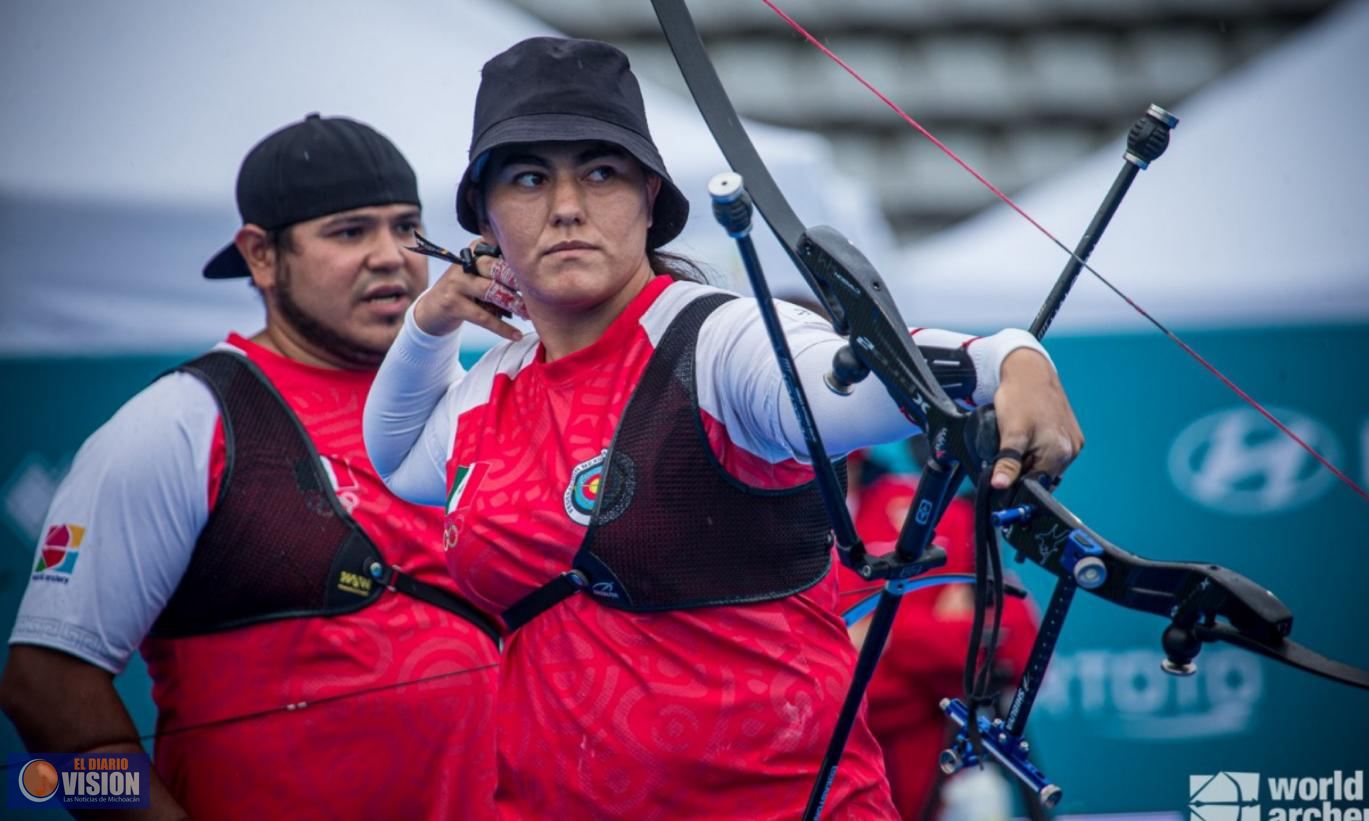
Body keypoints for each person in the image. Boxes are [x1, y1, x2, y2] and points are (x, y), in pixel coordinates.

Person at [364, 37, 1083, 819]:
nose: (565, 205)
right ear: (484, 220)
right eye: (528, 178)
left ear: (649, 199)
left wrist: (1003, 358)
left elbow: (840, 377)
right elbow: (398, 456)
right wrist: (428, 323)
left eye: (599, 172)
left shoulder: (714, 342)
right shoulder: (492, 386)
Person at [1, 114, 501, 819]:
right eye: (350, 231)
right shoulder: (182, 422)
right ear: (261, 255)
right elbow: (40, 690)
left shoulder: (477, 396)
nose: (392, 256)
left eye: (406, 226)